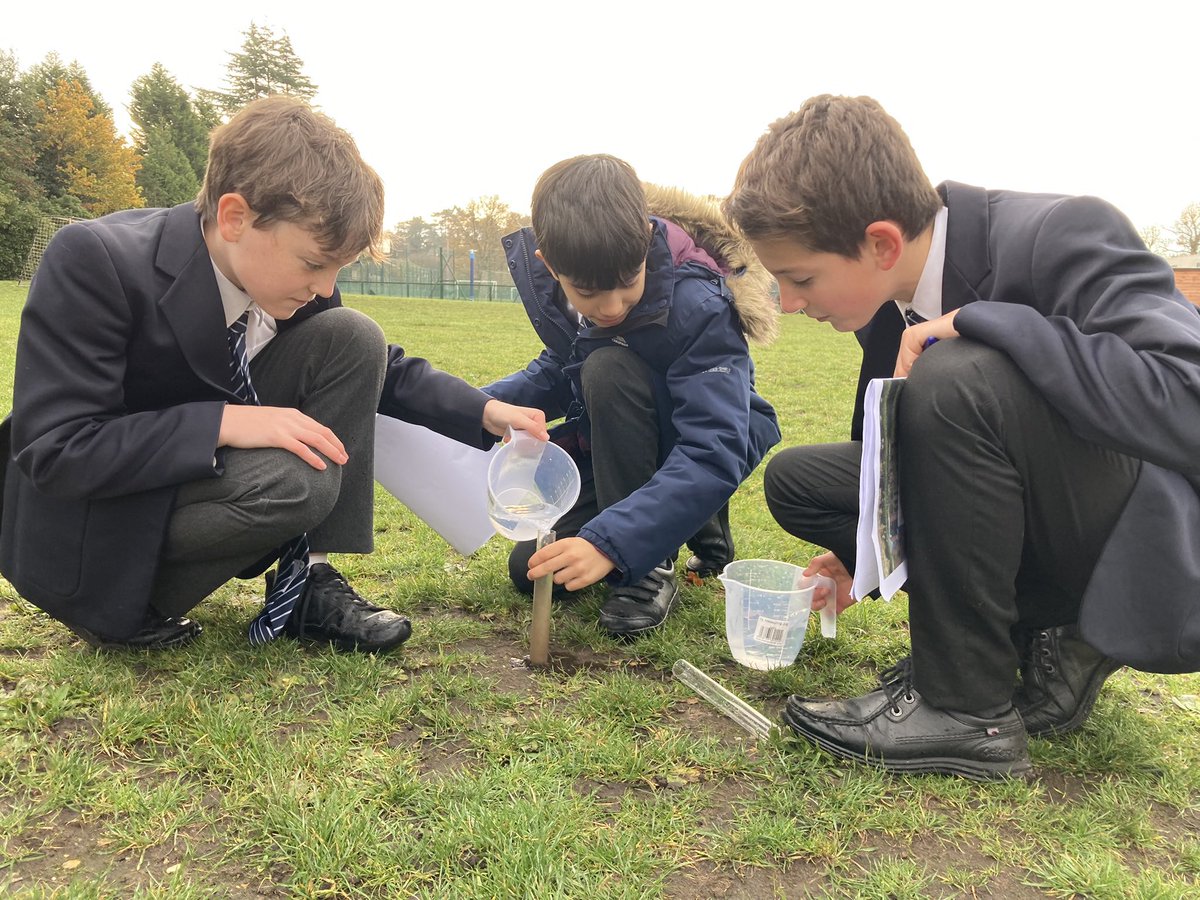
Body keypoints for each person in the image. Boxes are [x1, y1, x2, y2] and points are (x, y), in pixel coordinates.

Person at [723, 94, 1200, 779]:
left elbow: (1187, 398)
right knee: (800, 480)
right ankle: (1007, 640)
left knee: (959, 375)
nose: (791, 305)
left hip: (1136, 535)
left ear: (881, 242)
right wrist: (868, 556)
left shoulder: (1062, 231)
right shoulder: (890, 301)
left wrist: (988, 323)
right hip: (1024, 503)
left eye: (800, 279)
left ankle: (966, 707)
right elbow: (895, 467)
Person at [0, 95, 545, 654]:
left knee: (354, 336)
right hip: (95, 530)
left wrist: (483, 410)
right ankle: (129, 604)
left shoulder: (285, 280)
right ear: (236, 217)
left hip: (182, 486)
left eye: (338, 267)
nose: (326, 286)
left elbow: (383, 368)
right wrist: (222, 423)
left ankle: (309, 582)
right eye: (314, 263)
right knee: (297, 483)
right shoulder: (96, 260)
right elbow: (55, 450)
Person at [483, 155, 781, 637]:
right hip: (622, 445)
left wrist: (613, 544)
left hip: (701, 440)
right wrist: (474, 407)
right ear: (549, 262)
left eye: (627, 285)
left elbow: (713, 446)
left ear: (645, 243)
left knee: (609, 367)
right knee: (533, 569)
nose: (611, 307)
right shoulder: (570, 289)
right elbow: (560, 369)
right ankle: (689, 523)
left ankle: (652, 565)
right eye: (588, 292)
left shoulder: (700, 305)